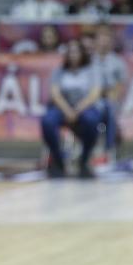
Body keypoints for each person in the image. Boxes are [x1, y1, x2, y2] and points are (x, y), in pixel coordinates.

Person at [41, 40, 103, 179]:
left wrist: (77, 110)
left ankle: (84, 160)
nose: (73, 55)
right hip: (63, 107)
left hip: (85, 107)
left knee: (92, 120)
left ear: (82, 53)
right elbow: (55, 94)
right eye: (70, 52)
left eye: (76, 51)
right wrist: (67, 110)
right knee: (47, 121)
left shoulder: (92, 70)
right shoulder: (59, 71)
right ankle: (58, 160)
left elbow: (94, 94)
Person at [90, 24, 126, 156]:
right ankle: (89, 150)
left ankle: (108, 151)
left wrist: (111, 95)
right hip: (91, 100)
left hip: (109, 100)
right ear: (96, 40)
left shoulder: (117, 62)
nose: (104, 40)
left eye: (107, 36)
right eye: (101, 36)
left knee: (110, 108)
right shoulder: (88, 60)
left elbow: (119, 86)